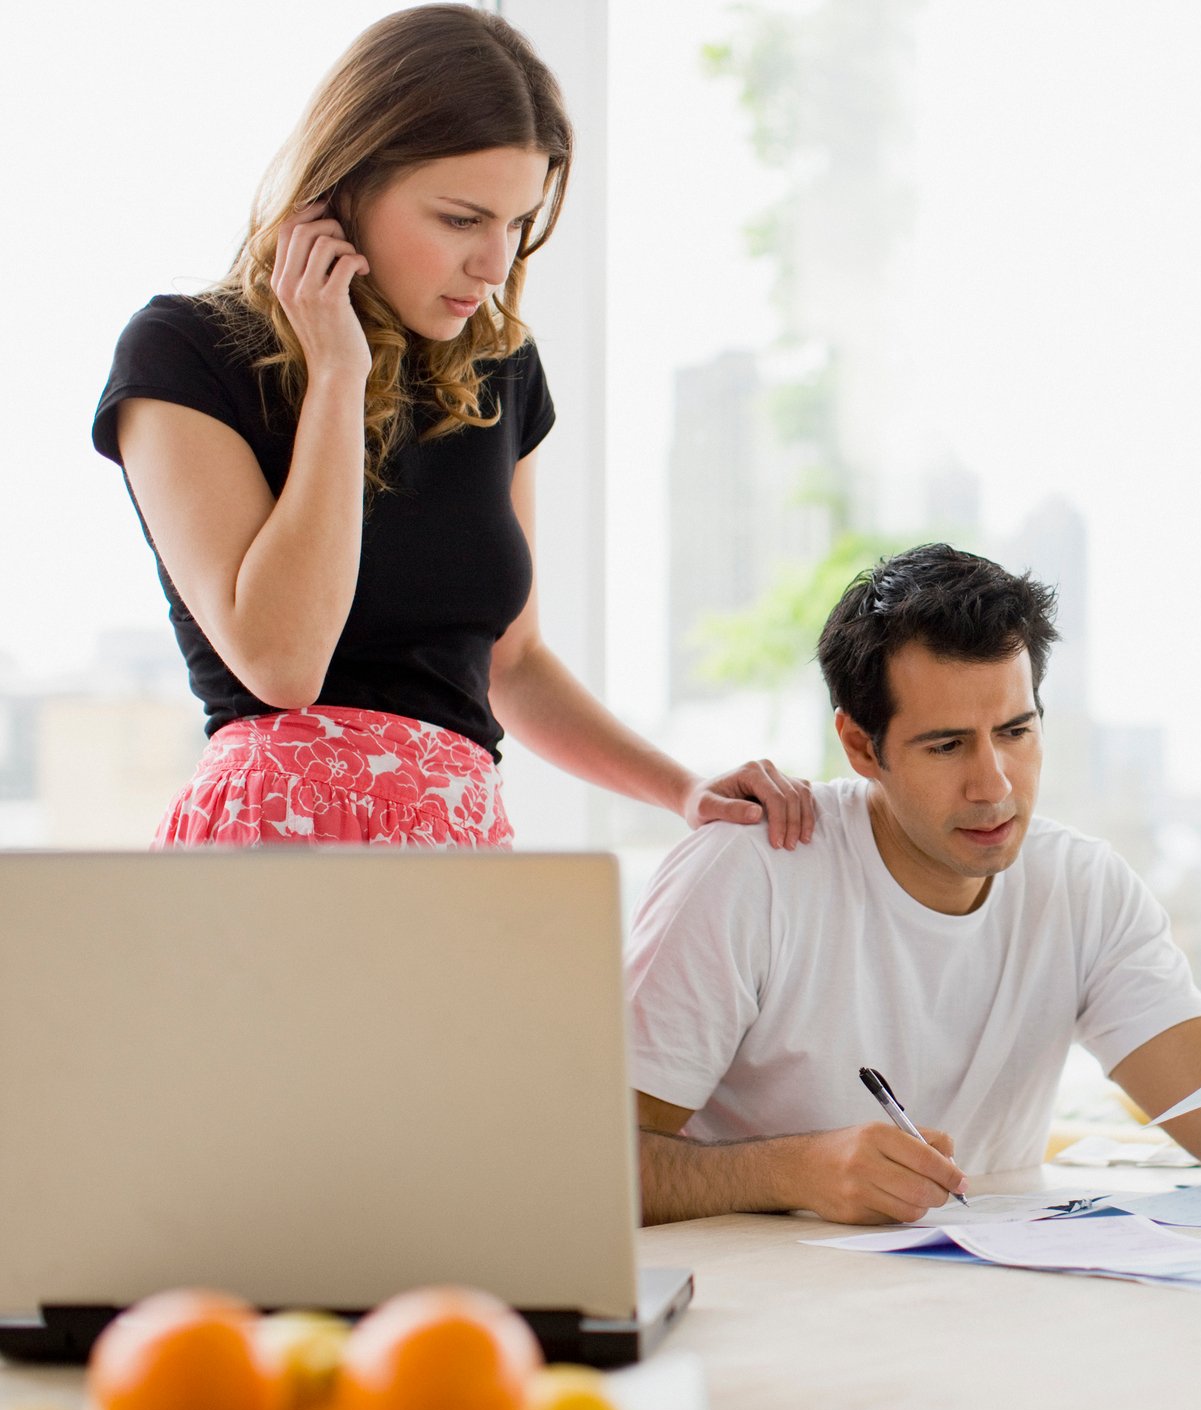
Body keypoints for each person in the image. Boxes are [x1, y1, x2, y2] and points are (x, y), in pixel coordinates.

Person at [90, 5, 813, 850]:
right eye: (462, 219)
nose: (495, 263)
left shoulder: (501, 372)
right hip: (275, 840)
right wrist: (337, 375)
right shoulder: (183, 352)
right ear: (345, 187)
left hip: (458, 841)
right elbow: (282, 665)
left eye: (517, 224)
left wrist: (683, 789)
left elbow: (515, 662)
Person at [625, 544, 1201, 1225]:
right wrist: (791, 1171)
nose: (994, 785)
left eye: (1014, 730)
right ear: (860, 747)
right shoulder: (749, 871)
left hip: (981, 1307)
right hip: (768, 1307)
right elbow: (589, 1169)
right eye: (944, 746)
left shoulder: (1079, 887)